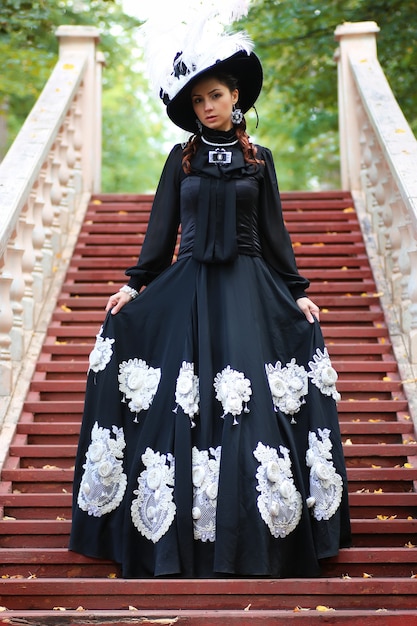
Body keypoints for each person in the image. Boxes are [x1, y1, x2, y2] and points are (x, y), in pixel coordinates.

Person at [69, 34, 351, 578]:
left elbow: (275, 233)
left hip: (249, 291)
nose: (208, 107)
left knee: (247, 408)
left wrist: (298, 291)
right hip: (190, 290)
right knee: (183, 402)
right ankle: (177, 541)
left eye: (215, 96)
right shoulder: (181, 160)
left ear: (235, 95)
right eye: (198, 101)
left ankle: (256, 539)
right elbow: (161, 230)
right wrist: (136, 284)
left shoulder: (260, 161)